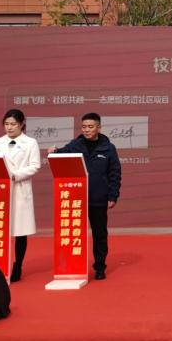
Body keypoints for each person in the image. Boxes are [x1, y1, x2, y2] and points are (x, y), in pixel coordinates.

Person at [49, 113, 121, 280]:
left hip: (99, 198)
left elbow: (115, 173)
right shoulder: (75, 145)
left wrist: (113, 195)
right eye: (84, 127)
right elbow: (61, 154)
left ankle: (100, 266)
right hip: (77, 198)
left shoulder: (108, 148)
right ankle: (73, 265)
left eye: (90, 127)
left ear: (98, 128)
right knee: (75, 233)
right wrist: (54, 151)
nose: (87, 130)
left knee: (99, 234)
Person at [0, 109, 41, 283]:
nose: (9, 128)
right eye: (6, 124)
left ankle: (18, 265)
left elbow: (35, 165)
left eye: (13, 124)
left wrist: (15, 175)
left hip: (19, 189)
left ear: (22, 124)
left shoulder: (30, 143)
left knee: (20, 231)